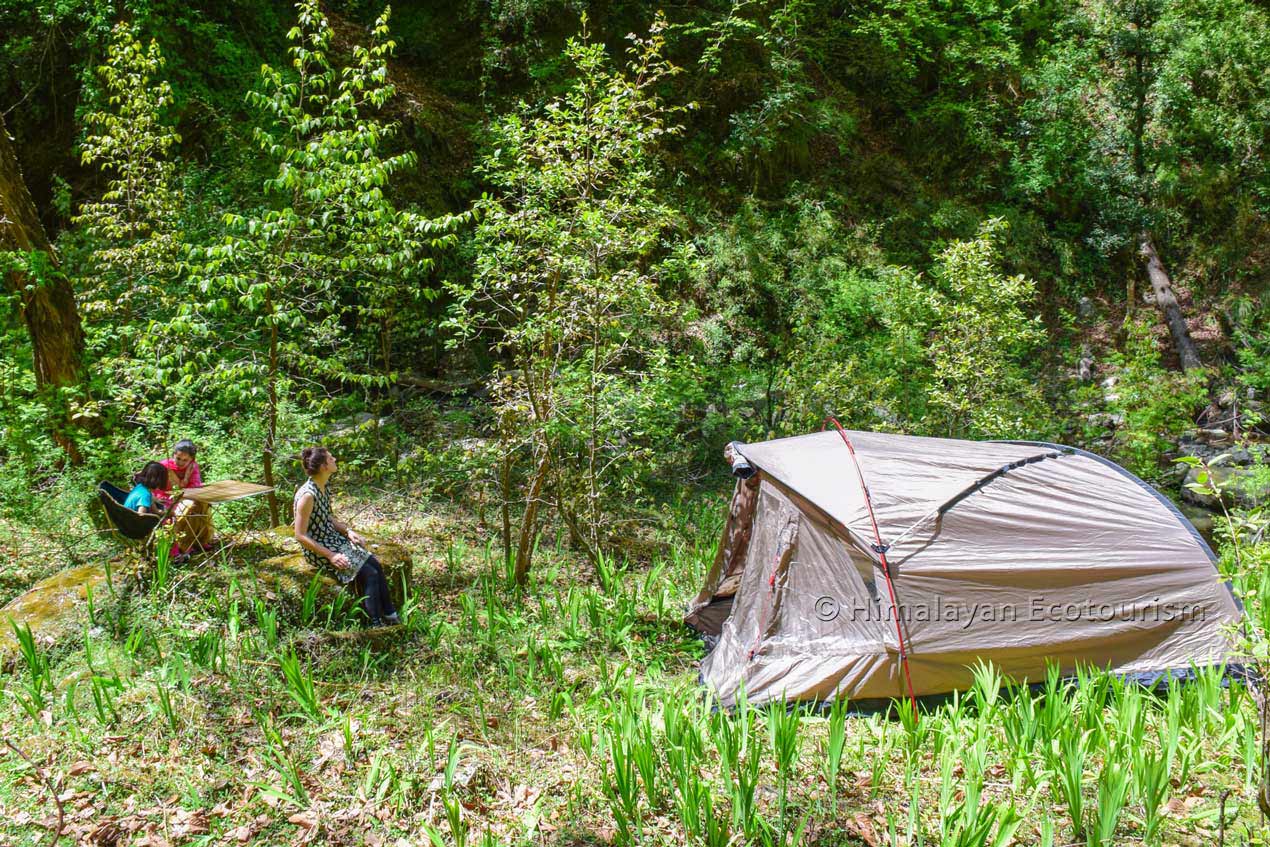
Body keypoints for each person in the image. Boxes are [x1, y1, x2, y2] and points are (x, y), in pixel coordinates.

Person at [293, 446, 400, 627]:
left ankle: (390, 614)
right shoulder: (307, 495)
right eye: (331, 458)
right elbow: (300, 535)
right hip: (319, 547)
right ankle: (375, 624)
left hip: (332, 538)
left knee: (375, 563)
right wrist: (331, 555)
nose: (335, 459)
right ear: (323, 467)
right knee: (370, 574)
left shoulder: (323, 486)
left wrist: (348, 531)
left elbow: (327, 517)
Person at [161, 439, 213, 553]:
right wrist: (182, 485)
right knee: (191, 506)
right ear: (173, 455)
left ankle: (199, 540)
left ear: (191, 460)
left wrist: (184, 482)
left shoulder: (193, 467)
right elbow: (158, 489)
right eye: (178, 458)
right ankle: (184, 544)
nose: (180, 462)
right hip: (166, 501)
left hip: (186, 497)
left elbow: (195, 485)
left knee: (201, 504)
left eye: (185, 460)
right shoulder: (164, 466)